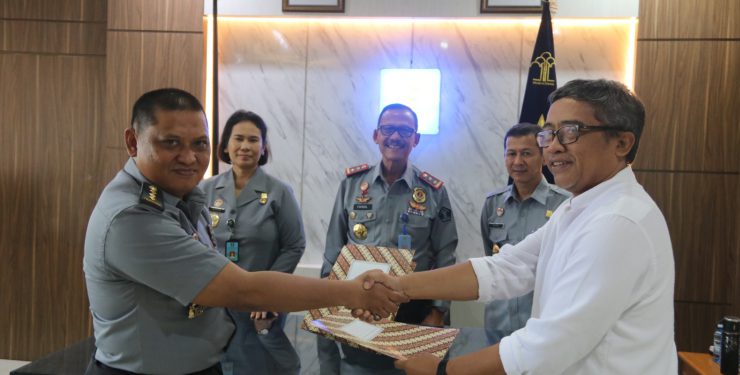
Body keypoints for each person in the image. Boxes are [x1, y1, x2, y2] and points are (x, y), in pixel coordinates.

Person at [360, 79, 677, 374]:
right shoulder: (577, 208)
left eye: (569, 132)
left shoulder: (617, 221)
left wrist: (443, 370)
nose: (552, 147)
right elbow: (505, 268)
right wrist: (399, 285)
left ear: (621, 143)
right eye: (548, 133)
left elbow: (553, 341)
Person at [82, 88, 406, 375]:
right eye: (170, 143)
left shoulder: (188, 196)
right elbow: (244, 291)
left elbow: (294, 245)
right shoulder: (134, 216)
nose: (189, 157)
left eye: (199, 143)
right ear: (132, 142)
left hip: (232, 332)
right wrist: (353, 292)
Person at [318, 103, 458, 374]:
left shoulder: (433, 191)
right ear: (376, 135)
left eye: (405, 131)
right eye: (388, 129)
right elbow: (334, 247)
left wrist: (437, 312)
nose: (396, 137)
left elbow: (446, 254)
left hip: (414, 313)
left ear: (415, 139)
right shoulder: (352, 185)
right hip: (359, 310)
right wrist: (327, 302)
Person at [200, 110, 305, 374]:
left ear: (263, 147)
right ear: (226, 145)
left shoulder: (279, 192)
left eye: (253, 140)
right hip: (216, 302)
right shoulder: (205, 190)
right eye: (238, 139)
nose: (245, 146)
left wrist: (269, 291)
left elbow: (295, 245)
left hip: (260, 306)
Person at [481, 122, 569, 344]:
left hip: (544, 326)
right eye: (511, 154)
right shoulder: (493, 205)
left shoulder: (565, 204)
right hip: (498, 325)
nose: (518, 161)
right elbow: (492, 260)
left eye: (526, 154)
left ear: (542, 156)